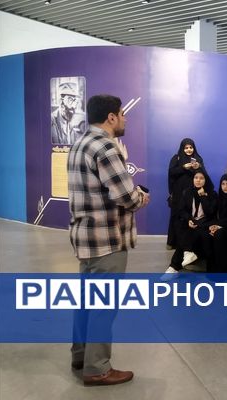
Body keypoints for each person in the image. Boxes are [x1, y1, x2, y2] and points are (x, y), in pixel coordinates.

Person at [68, 94, 149, 385]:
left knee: (86, 303)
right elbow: (126, 196)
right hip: (107, 241)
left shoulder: (79, 144)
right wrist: (142, 197)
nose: (125, 119)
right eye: (122, 114)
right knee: (104, 305)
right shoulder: (105, 146)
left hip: (86, 240)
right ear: (111, 117)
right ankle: (98, 368)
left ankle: (81, 356)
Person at [162, 170, 218, 279]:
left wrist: (202, 196)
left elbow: (210, 212)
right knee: (183, 227)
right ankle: (181, 260)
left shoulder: (212, 193)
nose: (198, 180)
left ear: (205, 180)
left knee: (196, 231)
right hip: (192, 220)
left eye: (201, 178)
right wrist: (189, 219)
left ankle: (174, 265)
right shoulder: (188, 192)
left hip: (205, 222)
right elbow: (182, 210)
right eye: (196, 178)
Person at [166, 138, 203, 249]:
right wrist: (183, 167)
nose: (188, 150)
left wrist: (197, 167)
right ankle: (172, 242)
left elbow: (202, 174)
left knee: (189, 216)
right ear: (182, 148)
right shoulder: (176, 158)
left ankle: (186, 243)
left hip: (192, 193)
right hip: (178, 193)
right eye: (186, 148)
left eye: (191, 147)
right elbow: (171, 172)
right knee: (176, 216)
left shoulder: (197, 159)